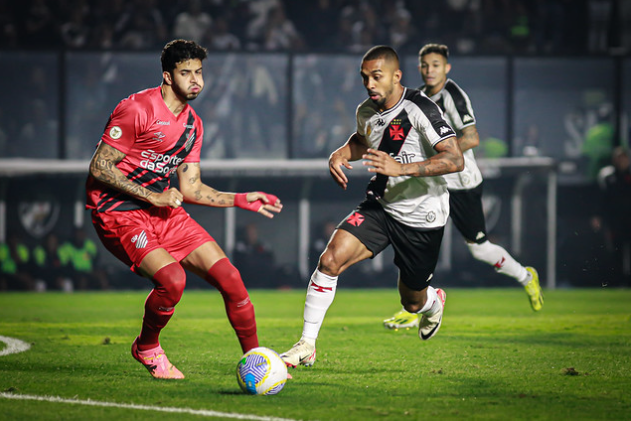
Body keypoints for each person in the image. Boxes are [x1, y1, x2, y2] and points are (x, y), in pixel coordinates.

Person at [85, 39, 283, 379]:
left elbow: (191, 188)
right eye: (186, 72)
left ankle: (257, 363)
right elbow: (100, 167)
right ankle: (146, 347)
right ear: (167, 76)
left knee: (231, 279)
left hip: (162, 211)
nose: (196, 80)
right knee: (173, 281)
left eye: (199, 73)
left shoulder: (193, 125)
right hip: (118, 210)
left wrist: (240, 198)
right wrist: (153, 196)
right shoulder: (137, 109)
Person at [280, 45, 464, 368]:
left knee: (411, 301)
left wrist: (401, 168)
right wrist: (340, 153)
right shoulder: (366, 111)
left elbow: (455, 158)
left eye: (376, 77)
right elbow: (363, 140)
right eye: (365, 78)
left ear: (396, 76)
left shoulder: (421, 109)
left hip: (423, 217)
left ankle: (433, 302)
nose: (369, 84)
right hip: (381, 206)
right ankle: (307, 344)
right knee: (330, 259)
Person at [383, 43, 543, 331]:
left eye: (435, 65)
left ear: (447, 68)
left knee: (479, 249)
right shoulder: (417, 98)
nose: (430, 70)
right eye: (425, 65)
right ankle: (415, 305)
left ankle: (526, 277)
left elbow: (471, 138)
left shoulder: (453, 96)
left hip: (461, 183)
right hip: (433, 183)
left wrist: (437, 152)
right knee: (415, 238)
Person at [597, 146, 631, 287]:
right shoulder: (609, 177)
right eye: (618, 158)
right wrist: (598, 216)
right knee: (615, 250)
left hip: (629, 219)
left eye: (623, 158)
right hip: (615, 220)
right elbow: (603, 199)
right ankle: (616, 281)